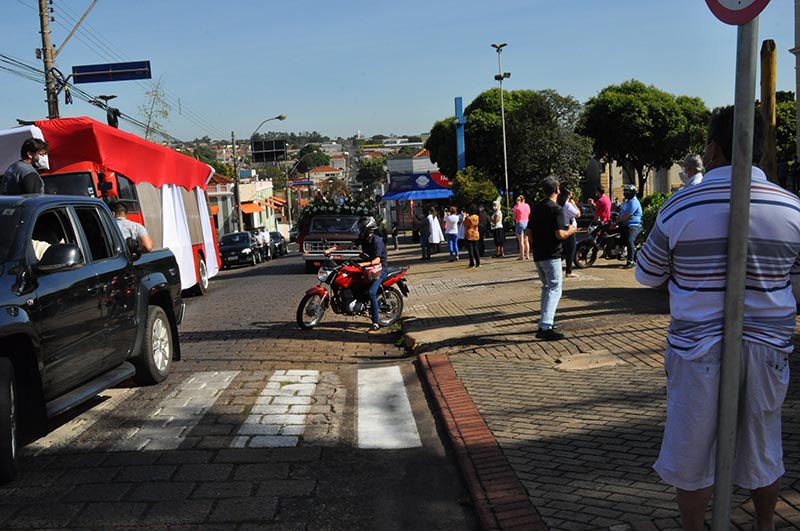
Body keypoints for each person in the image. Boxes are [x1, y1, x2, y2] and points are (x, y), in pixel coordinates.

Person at [636, 105, 800, 531]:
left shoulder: (680, 205)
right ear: (762, 147)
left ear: (712, 148)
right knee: (764, 445)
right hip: (768, 348)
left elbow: (647, 274)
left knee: (691, 452)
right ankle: (765, 525)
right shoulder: (792, 209)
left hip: (696, 349)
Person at [530, 176, 577, 341]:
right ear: (557, 189)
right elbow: (560, 234)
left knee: (546, 288)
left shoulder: (536, 207)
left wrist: (535, 245)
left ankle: (546, 321)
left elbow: (529, 232)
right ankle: (545, 325)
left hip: (538, 255)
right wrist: (571, 230)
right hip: (552, 254)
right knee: (555, 289)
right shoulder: (556, 209)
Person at [325, 216, 387, 332]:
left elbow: (377, 260)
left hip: (379, 270)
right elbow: (348, 245)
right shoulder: (363, 238)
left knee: (371, 293)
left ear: (368, 228)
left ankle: (376, 322)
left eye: (362, 228)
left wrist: (364, 264)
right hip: (367, 268)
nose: (360, 230)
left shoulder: (376, 240)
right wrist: (331, 250)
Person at [618, 184, 643, 269]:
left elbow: (627, 215)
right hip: (625, 225)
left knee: (629, 240)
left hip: (634, 226)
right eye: (625, 191)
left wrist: (619, 220)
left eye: (628, 192)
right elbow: (620, 211)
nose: (626, 193)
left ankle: (630, 261)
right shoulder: (626, 202)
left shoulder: (634, 202)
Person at [557, 187, 580, 278]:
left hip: (562, 227)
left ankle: (558, 267)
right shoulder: (568, 205)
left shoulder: (559, 204)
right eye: (570, 194)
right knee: (571, 250)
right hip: (569, 228)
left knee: (563, 250)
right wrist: (574, 204)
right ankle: (569, 271)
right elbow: (578, 214)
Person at [512, 195, 531, 260]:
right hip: (526, 222)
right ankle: (527, 255)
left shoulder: (516, 207)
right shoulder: (527, 205)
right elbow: (529, 213)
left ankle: (522, 255)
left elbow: (514, 217)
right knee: (526, 240)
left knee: (521, 241)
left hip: (519, 223)